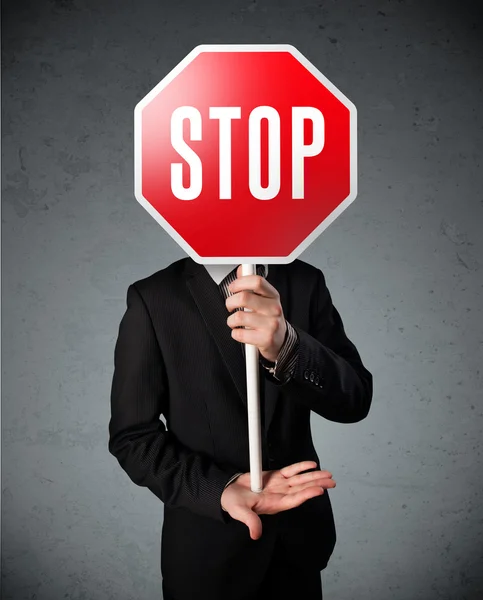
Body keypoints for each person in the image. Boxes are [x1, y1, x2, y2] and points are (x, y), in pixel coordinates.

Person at [108, 257, 373, 600]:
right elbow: (133, 438)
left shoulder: (306, 281)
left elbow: (355, 400)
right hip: (207, 558)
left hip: (297, 547)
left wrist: (287, 346)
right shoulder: (154, 296)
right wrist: (220, 489)